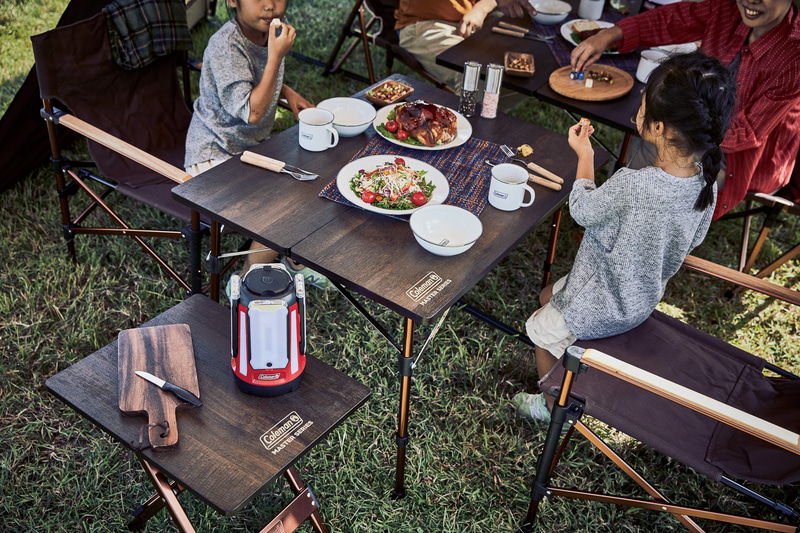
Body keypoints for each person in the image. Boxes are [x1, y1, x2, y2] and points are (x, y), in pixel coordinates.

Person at [512, 52, 737, 424]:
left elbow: (582, 210)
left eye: (643, 107)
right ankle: (566, 371)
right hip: (638, 301)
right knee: (548, 295)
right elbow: (694, 239)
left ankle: (552, 406)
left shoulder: (636, 185)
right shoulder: (706, 183)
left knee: (540, 331)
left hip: (600, 302)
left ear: (660, 127)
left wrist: (584, 154)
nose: (638, 112)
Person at [570, 0, 800, 219]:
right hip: (690, 125)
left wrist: (676, 128)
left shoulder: (794, 57)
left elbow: (748, 132)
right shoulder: (726, 8)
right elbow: (673, 19)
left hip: (740, 157)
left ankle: (620, 215)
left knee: (657, 149)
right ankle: (622, 211)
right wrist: (609, 34)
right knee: (649, 141)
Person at [394, 0, 500, 90]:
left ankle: (491, 107)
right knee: (474, 71)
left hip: (476, 17)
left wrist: (480, 10)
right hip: (426, 23)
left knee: (504, 68)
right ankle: (470, 108)